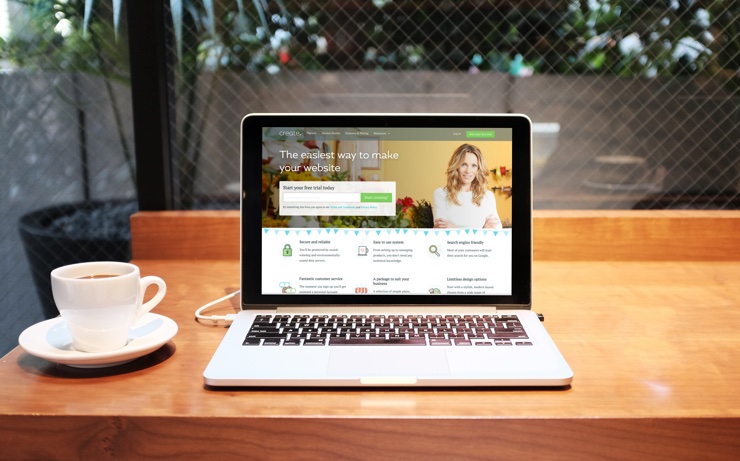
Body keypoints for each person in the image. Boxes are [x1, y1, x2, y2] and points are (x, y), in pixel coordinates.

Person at [433, 144, 502, 229]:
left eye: (474, 165)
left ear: (478, 169)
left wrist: (453, 228)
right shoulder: (441, 194)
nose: (468, 171)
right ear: (456, 166)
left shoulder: (488, 196)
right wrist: (483, 231)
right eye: (463, 164)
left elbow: (496, 231)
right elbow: (441, 231)